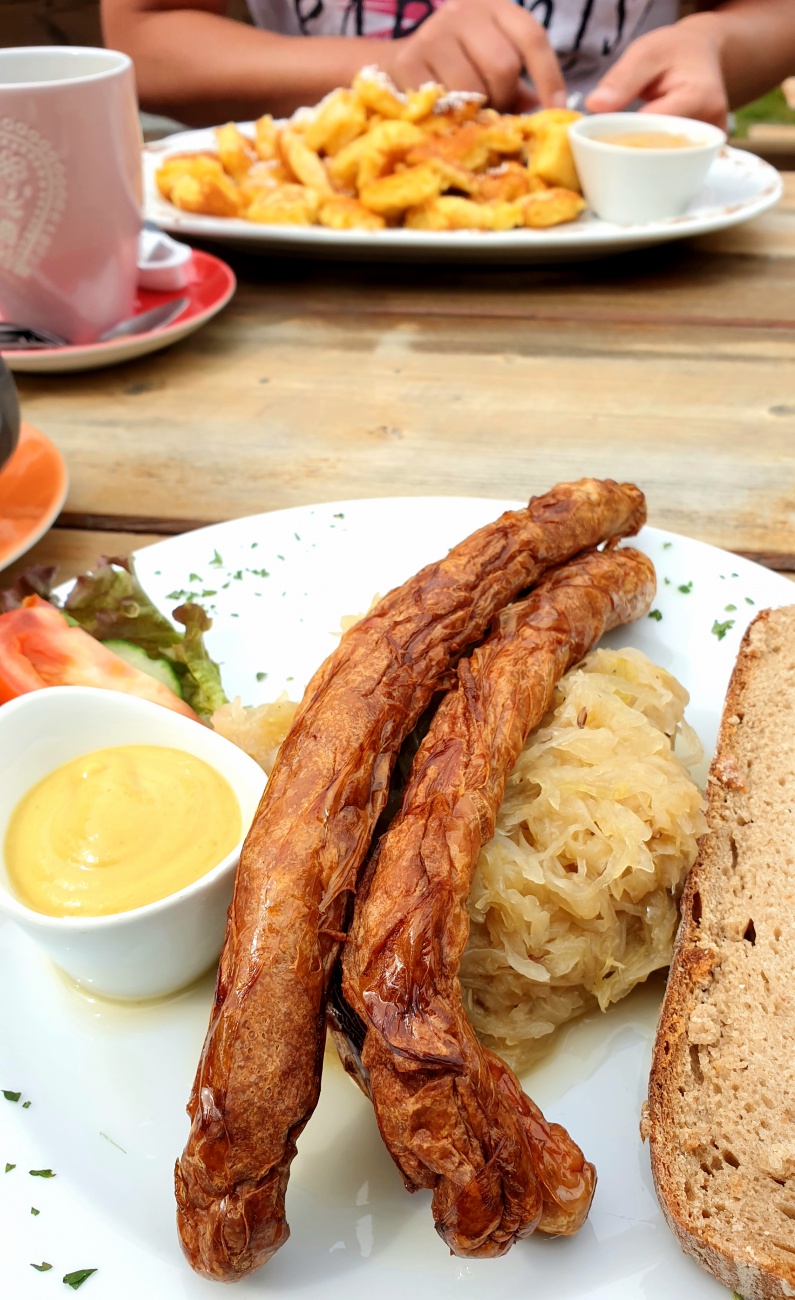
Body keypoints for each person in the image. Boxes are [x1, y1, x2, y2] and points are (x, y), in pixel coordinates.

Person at [102, 0, 795, 129]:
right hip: (291, 272)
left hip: (653, 249)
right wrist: (387, 71)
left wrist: (716, 43)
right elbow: (144, 38)